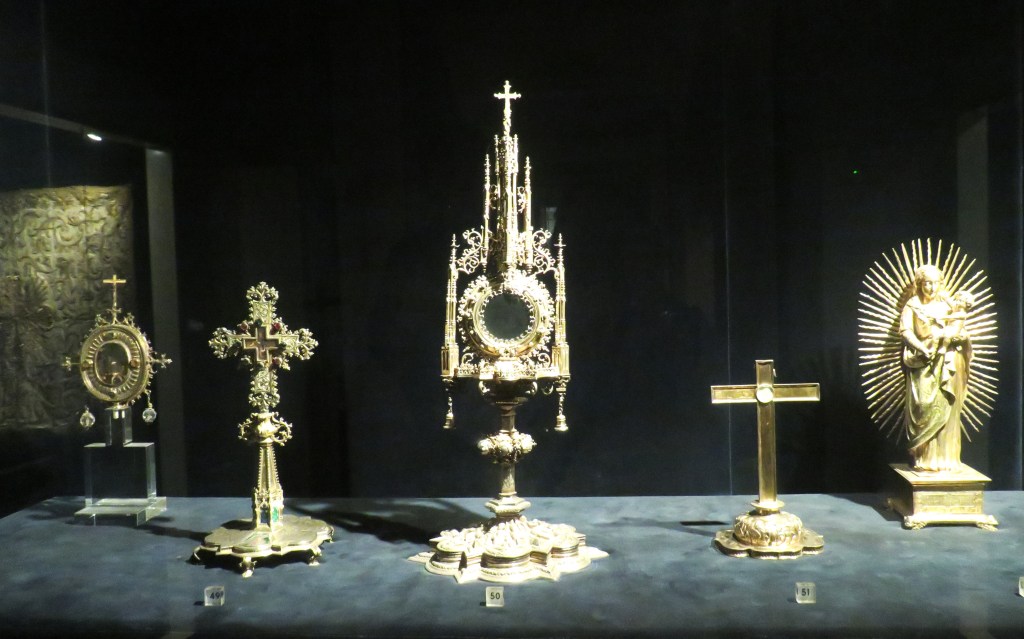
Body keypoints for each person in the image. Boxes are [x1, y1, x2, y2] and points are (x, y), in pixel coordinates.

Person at [900, 265, 972, 471]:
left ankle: (947, 459)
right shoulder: (912, 305)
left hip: (948, 362)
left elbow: (961, 330)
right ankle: (924, 458)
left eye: (935, 283)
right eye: (926, 283)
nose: (931, 288)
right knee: (923, 405)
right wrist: (921, 347)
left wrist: (960, 338)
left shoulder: (948, 305)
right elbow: (905, 331)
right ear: (919, 284)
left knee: (949, 406)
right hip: (922, 362)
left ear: (941, 284)